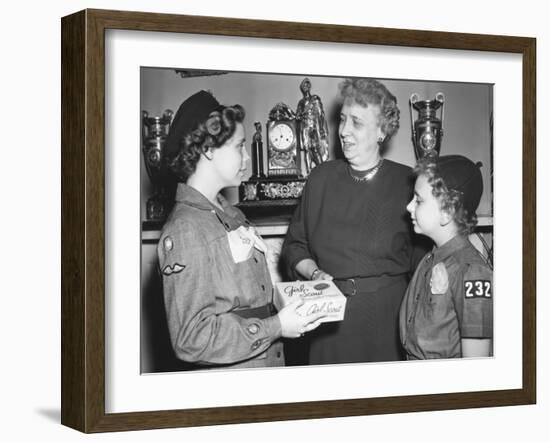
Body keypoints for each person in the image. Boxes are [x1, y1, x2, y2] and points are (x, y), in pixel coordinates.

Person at [158, 90, 325, 369]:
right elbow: (191, 339)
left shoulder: (231, 214)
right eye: (239, 146)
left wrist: (294, 298)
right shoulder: (186, 229)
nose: (247, 158)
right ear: (207, 150)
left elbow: (248, 296)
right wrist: (276, 327)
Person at [281, 78, 426, 365]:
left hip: (388, 322)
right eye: (343, 119)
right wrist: (314, 274)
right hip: (329, 322)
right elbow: (295, 247)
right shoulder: (320, 179)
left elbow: (422, 266)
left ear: (382, 130)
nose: (344, 131)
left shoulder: (408, 183)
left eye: (356, 123)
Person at [400, 155, 493, 359]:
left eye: (419, 200)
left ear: (447, 212)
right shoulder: (428, 259)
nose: (409, 206)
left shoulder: (472, 272)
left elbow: (476, 368)